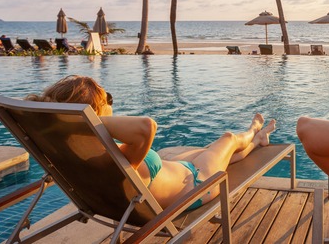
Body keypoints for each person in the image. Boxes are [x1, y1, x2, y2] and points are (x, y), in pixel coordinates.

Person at [25, 75, 276, 210]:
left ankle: (258, 139)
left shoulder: (73, 152)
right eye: (107, 100)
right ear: (95, 113)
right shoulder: (112, 157)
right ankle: (254, 129)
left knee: (225, 154)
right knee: (228, 140)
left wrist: (72, 123)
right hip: (198, 184)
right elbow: (147, 126)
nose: (111, 105)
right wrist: (88, 120)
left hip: (179, 173)